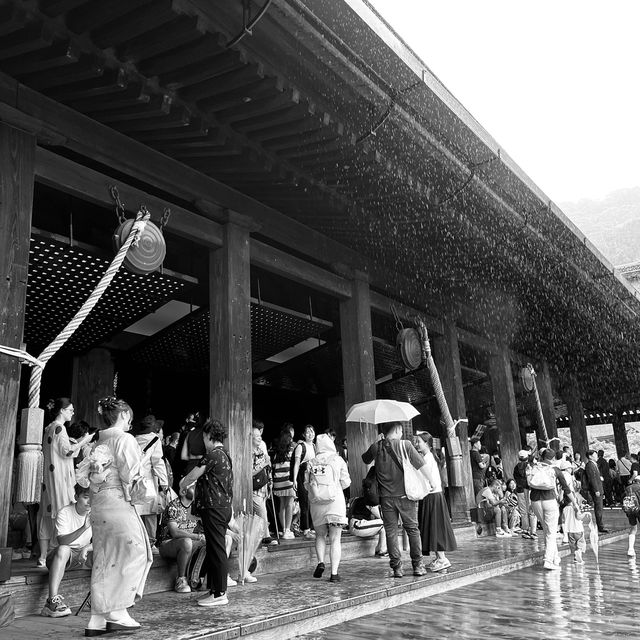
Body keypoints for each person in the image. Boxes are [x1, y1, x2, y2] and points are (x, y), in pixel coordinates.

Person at [82, 396, 152, 635]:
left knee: (104, 555)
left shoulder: (96, 440)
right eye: (129, 417)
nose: (130, 422)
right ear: (123, 415)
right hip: (117, 501)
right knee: (134, 551)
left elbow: (84, 476)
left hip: (98, 503)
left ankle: (97, 618)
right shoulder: (124, 439)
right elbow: (131, 474)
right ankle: (118, 610)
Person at [361, 422, 430, 578]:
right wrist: (431, 481)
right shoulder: (405, 445)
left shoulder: (376, 447)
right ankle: (418, 565)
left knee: (391, 533)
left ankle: (397, 568)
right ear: (398, 430)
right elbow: (421, 465)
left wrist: (377, 441)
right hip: (406, 496)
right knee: (412, 529)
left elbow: (365, 459)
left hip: (386, 499)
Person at [180, 419, 233, 607]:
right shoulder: (224, 454)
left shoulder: (213, 454)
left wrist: (182, 483)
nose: (203, 440)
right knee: (214, 548)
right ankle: (214, 590)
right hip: (221, 507)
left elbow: (193, 475)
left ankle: (219, 593)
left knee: (217, 550)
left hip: (214, 508)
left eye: (203, 437)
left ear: (209, 436)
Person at [38, 398, 93, 567]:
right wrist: (85, 440)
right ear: (61, 410)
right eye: (70, 410)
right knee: (61, 512)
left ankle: (42, 556)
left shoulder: (49, 427)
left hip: (50, 478)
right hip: (60, 479)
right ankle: (56, 554)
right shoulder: (60, 428)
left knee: (46, 515)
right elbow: (67, 451)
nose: (73, 412)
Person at [40, 484, 93, 618]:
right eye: (86, 497)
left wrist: (87, 548)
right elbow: (62, 542)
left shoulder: (95, 513)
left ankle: (101, 597)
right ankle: (52, 602)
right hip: (58, 557)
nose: (90, 501)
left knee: (107, 551)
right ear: (76, 497)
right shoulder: (65, 512)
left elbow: (102, 541)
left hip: (82, 555)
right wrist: (83, 527)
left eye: (92, 497)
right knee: (64, 549)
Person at [305, 433, 351, 582]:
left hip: (317, 503)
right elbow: (346, 482)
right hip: (335, 502)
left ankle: (320, 562)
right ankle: (334, 574)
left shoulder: (311, 462)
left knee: (320, 535)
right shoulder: (337, 460)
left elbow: (307, 485)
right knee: (335, 538)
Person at [529, 447, 579, 571]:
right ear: (553, 458)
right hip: (549, 500)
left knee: (547, 530)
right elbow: (566, 489)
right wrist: (575, 503)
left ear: (541, 456)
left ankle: (555, 557)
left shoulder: (534, 467)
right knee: (551, 532)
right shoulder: (555, 469)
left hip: (535, 500)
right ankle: (548, 560)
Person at [413, 433, 457, 572]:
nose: (417, 444)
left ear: (427, 443)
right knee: (433, 527)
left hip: (432, 496)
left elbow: (427, 480)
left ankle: (442, 558)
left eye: (419, 441)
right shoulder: (427, 457)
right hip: (431, 496)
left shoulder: (427, 459)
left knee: (435, 527)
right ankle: (439, 558)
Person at [156, 484, 206, 593]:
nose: (196, 488)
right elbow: (174, 532)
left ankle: (203, 578)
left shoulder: (196, 507)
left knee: (211, 542)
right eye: (192, 486)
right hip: (167, 544)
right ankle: (181, 580)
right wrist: (197, 536)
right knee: (186, 542)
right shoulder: (174, 506)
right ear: (183, 492)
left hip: (189, 543)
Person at [133, 415, 170, 548]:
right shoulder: (155, 440)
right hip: (148, 480)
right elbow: (157, 462)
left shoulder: (133, 439)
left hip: (134, 481)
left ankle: (137, 543)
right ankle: (150, 542)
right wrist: (164, 482)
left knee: (136, 512)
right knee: (150, 512)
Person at [251, 426, 276, 545]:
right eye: (256, 436)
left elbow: (267, 467)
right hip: (253, 488)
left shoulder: (261, 452)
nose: (260, 438)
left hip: (262, 487)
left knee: (262, 511)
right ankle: (266, 536)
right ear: (250, 438)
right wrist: (263, 464)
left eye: (260, 436)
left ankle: (260, 536)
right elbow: (249, 473)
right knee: (262, 511)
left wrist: (270, 480)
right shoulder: (249, 453)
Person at [291, 425, 317, 540]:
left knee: (314, 501)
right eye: (307, 432)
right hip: (302, 475)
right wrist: (295, 479)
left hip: (313, 476)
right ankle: (306, 529)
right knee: (304, 501)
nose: (310, 434)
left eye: (312, 431)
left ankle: (312, 527)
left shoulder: (315, 447)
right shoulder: (301, 447)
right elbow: (297, 464)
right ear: (303, 435)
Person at [272, 428, 296, 539]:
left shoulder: (277, 451)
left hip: (278, 482)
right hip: (288, 481)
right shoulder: (292, 450)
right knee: (290, 504)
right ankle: (287, 530)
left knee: (282, 505)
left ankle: (283, 529)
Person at [513, 450, 538, 539]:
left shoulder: (516, 467)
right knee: (532, 510)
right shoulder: (531, 466)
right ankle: (533, 531)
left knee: (523, 511)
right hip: (530, 489)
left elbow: (515, 478)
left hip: (520, 489)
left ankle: (525, 529)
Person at [584, 449, 608, 533]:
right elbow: (592, 479)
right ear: (590, 456)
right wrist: (596, 490)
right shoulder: (589, 465)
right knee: (598, 508)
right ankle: (600, 526)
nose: (596, 456)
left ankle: (601, 525)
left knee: (600, 508)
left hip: (599, 488)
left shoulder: (594, 464)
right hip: (596, 489)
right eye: (595, 454)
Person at [624, 479, 640, 557]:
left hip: (630, 511)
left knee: (633, 529)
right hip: (639, 510)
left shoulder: (628, 488)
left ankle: (630, 549)